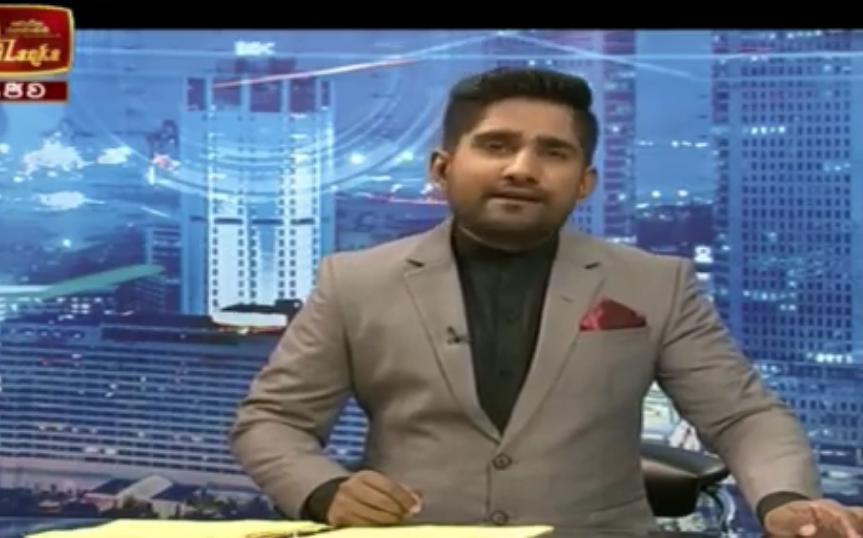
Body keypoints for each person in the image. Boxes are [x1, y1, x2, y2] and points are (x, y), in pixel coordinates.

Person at [229, 67, 862, 535]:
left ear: (584, 182)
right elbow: (273, 422)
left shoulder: (654, 282)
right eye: (496, 145)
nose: (522, 169)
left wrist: (785, 501)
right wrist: (325, 490)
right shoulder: (355, 280)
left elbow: (742, 416)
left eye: (553, 152)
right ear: (441, 168)